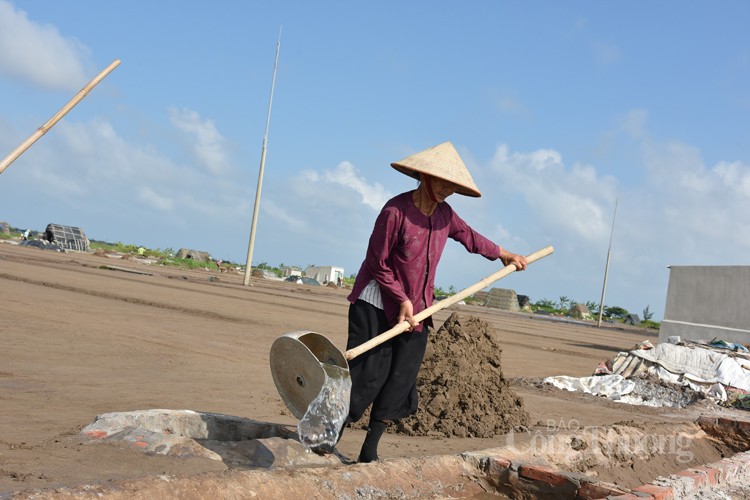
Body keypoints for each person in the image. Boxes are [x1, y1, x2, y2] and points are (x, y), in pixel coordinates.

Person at [341, 141, 527, 463]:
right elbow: (376, 263)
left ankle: (369, 451)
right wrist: (400, 298)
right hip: (376, 303)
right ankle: (330, 434)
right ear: (424, 177)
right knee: (367, 376)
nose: (446, 190)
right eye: (442, 183)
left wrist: (504, 254)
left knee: (401, 377)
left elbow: (471, 237)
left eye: (451, 186)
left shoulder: (445, 216)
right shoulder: (395, 211)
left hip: (419, 308)